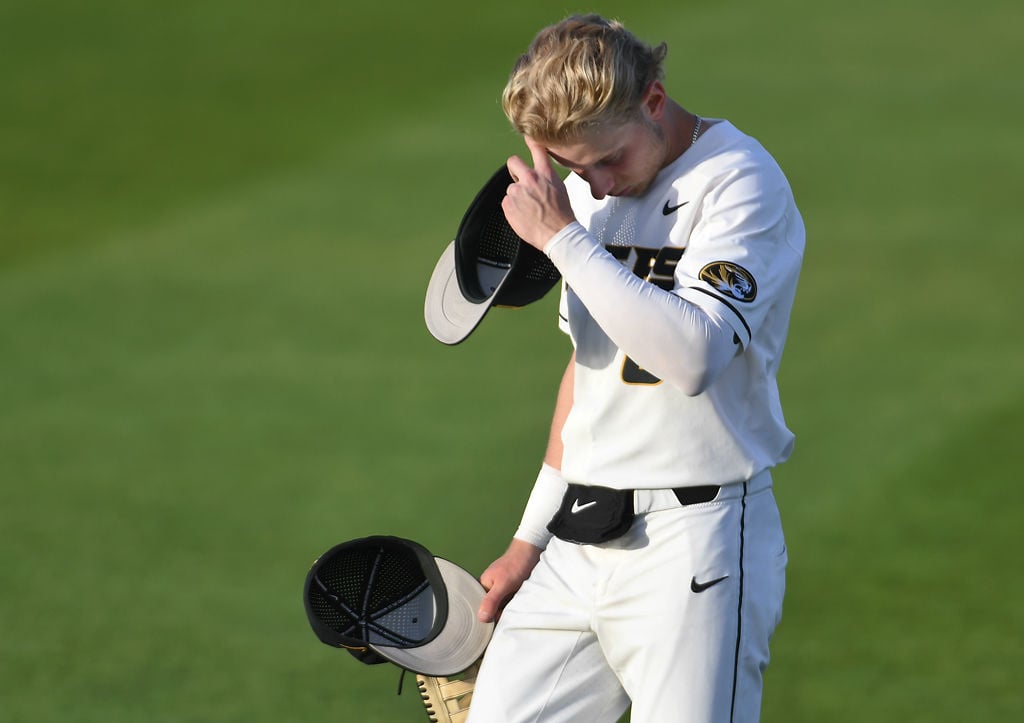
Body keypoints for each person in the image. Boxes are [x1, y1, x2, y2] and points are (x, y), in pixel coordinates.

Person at [467, 14, 804, 723]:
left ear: (653, 101)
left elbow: (694, 355)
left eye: (606, 160)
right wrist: (527, 540)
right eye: (575, 168)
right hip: (576, 538)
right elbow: (586, 374)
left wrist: (563, 239)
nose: (596, 184)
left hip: (694, 548)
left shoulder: (738, 182)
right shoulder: (588, 193)